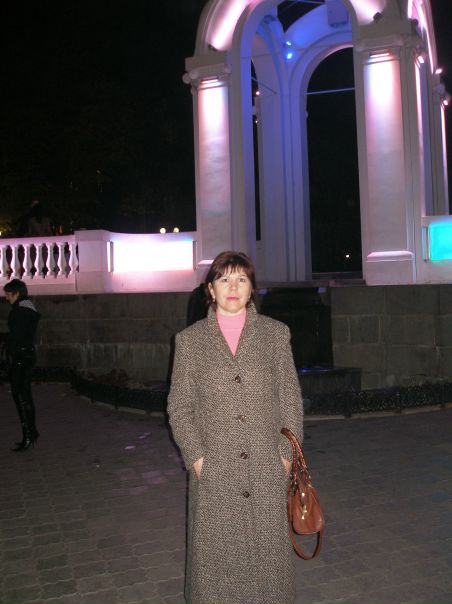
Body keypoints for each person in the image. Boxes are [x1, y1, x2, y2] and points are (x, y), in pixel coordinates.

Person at [167, 251, 304, 604]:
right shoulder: (190, 341)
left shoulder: (275, 335)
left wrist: (284, 458)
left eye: (241, 279)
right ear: (210, 289)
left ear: (251, 289)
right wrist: (198, 460)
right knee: (217, 569)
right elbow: (179, 407)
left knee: (268, 568)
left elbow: (291, 400)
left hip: (266, 468)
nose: (233, 287)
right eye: (224, 279)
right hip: (215, 471)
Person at [3, 279, 41, 451]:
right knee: (24, 395)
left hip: (20, 357)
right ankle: (31, 433)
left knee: (21, 397)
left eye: (8, 294)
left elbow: (17, 336)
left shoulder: (19, 312)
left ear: (16, 294)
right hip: (27, 355)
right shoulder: (28, 308)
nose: (6, 298)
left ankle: (28, 435)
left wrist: (10, 346)